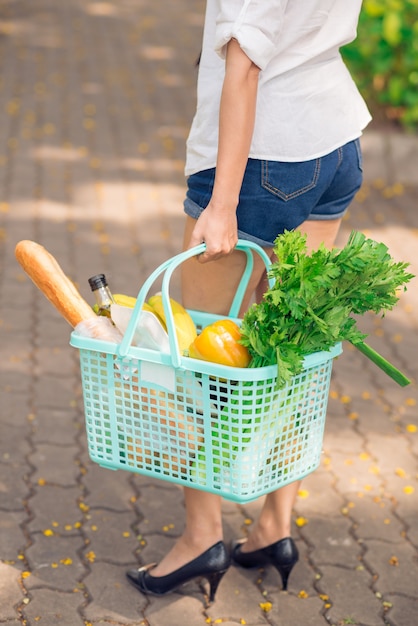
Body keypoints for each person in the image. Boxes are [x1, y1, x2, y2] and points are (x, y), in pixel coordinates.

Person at [127, 0, 371, 602]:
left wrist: (223, 202)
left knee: (200, 358)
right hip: (333, 139)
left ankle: (202, 537)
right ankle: (273, 526)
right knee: (292, 347)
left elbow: (245, 63)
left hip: (264, 153)